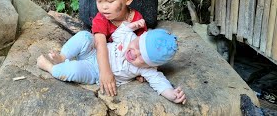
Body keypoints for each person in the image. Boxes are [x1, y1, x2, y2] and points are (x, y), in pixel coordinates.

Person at [37, 19, 187, 104]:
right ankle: (62, 57)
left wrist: (172, 95)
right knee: (84, 36)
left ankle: (50, 67)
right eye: (137, 46)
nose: (133, 53)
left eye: (142, 57)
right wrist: (130, 26)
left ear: (151, 65)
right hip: (93, 50)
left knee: (74, 70)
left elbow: (159, 82)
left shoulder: (147, 70)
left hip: (94, 71)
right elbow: (119, 33)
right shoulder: (130, 38)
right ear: (140, 37)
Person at [91, 0, 147, 96]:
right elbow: (100, 45)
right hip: (100, 58)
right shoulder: (101, 19)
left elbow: (143, 47)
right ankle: (63, 57)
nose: (103, 6)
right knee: (83, 38)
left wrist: (142, 69)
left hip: (123, 63)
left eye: (110, 1)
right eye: (99, 0)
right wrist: (105, 72)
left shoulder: (136, 20)